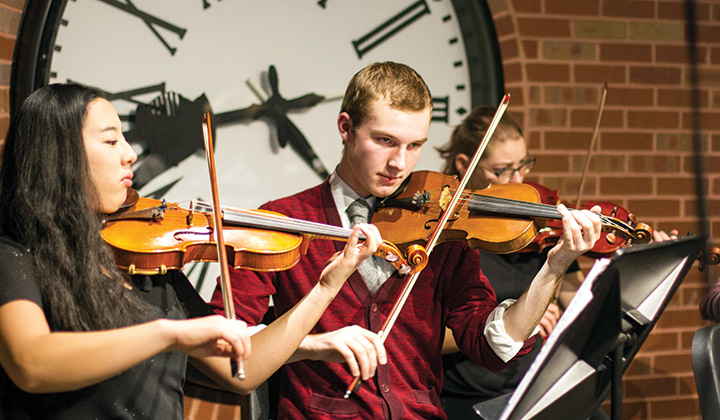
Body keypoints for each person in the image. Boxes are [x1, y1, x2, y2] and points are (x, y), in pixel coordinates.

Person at [210, 62, 602, 419]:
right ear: (345, 128)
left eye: (415, 145)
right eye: (385, 141)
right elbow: (224, 347)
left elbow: (494, 346)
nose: (400, 163)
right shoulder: (282, 220)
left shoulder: (443, 227)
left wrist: (554, 267)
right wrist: (314, 344)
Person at [0, 83, 381, 419]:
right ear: (59, 154)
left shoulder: (149, 262)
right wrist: (168, 334)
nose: (130, 154)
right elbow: (31, 362)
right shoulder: (14, 254)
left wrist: (326, 287)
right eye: (111, 140)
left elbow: (241, 371)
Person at [436, 105, 676, 419]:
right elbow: (430, 335)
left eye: (523, 165)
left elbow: (582, 308)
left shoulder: (538, 228)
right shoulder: (450, 235)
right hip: (471, 396)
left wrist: (643, 267)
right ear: (465, 164)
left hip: (532, 385)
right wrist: (519, 317)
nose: (519, 179)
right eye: (502, 170)